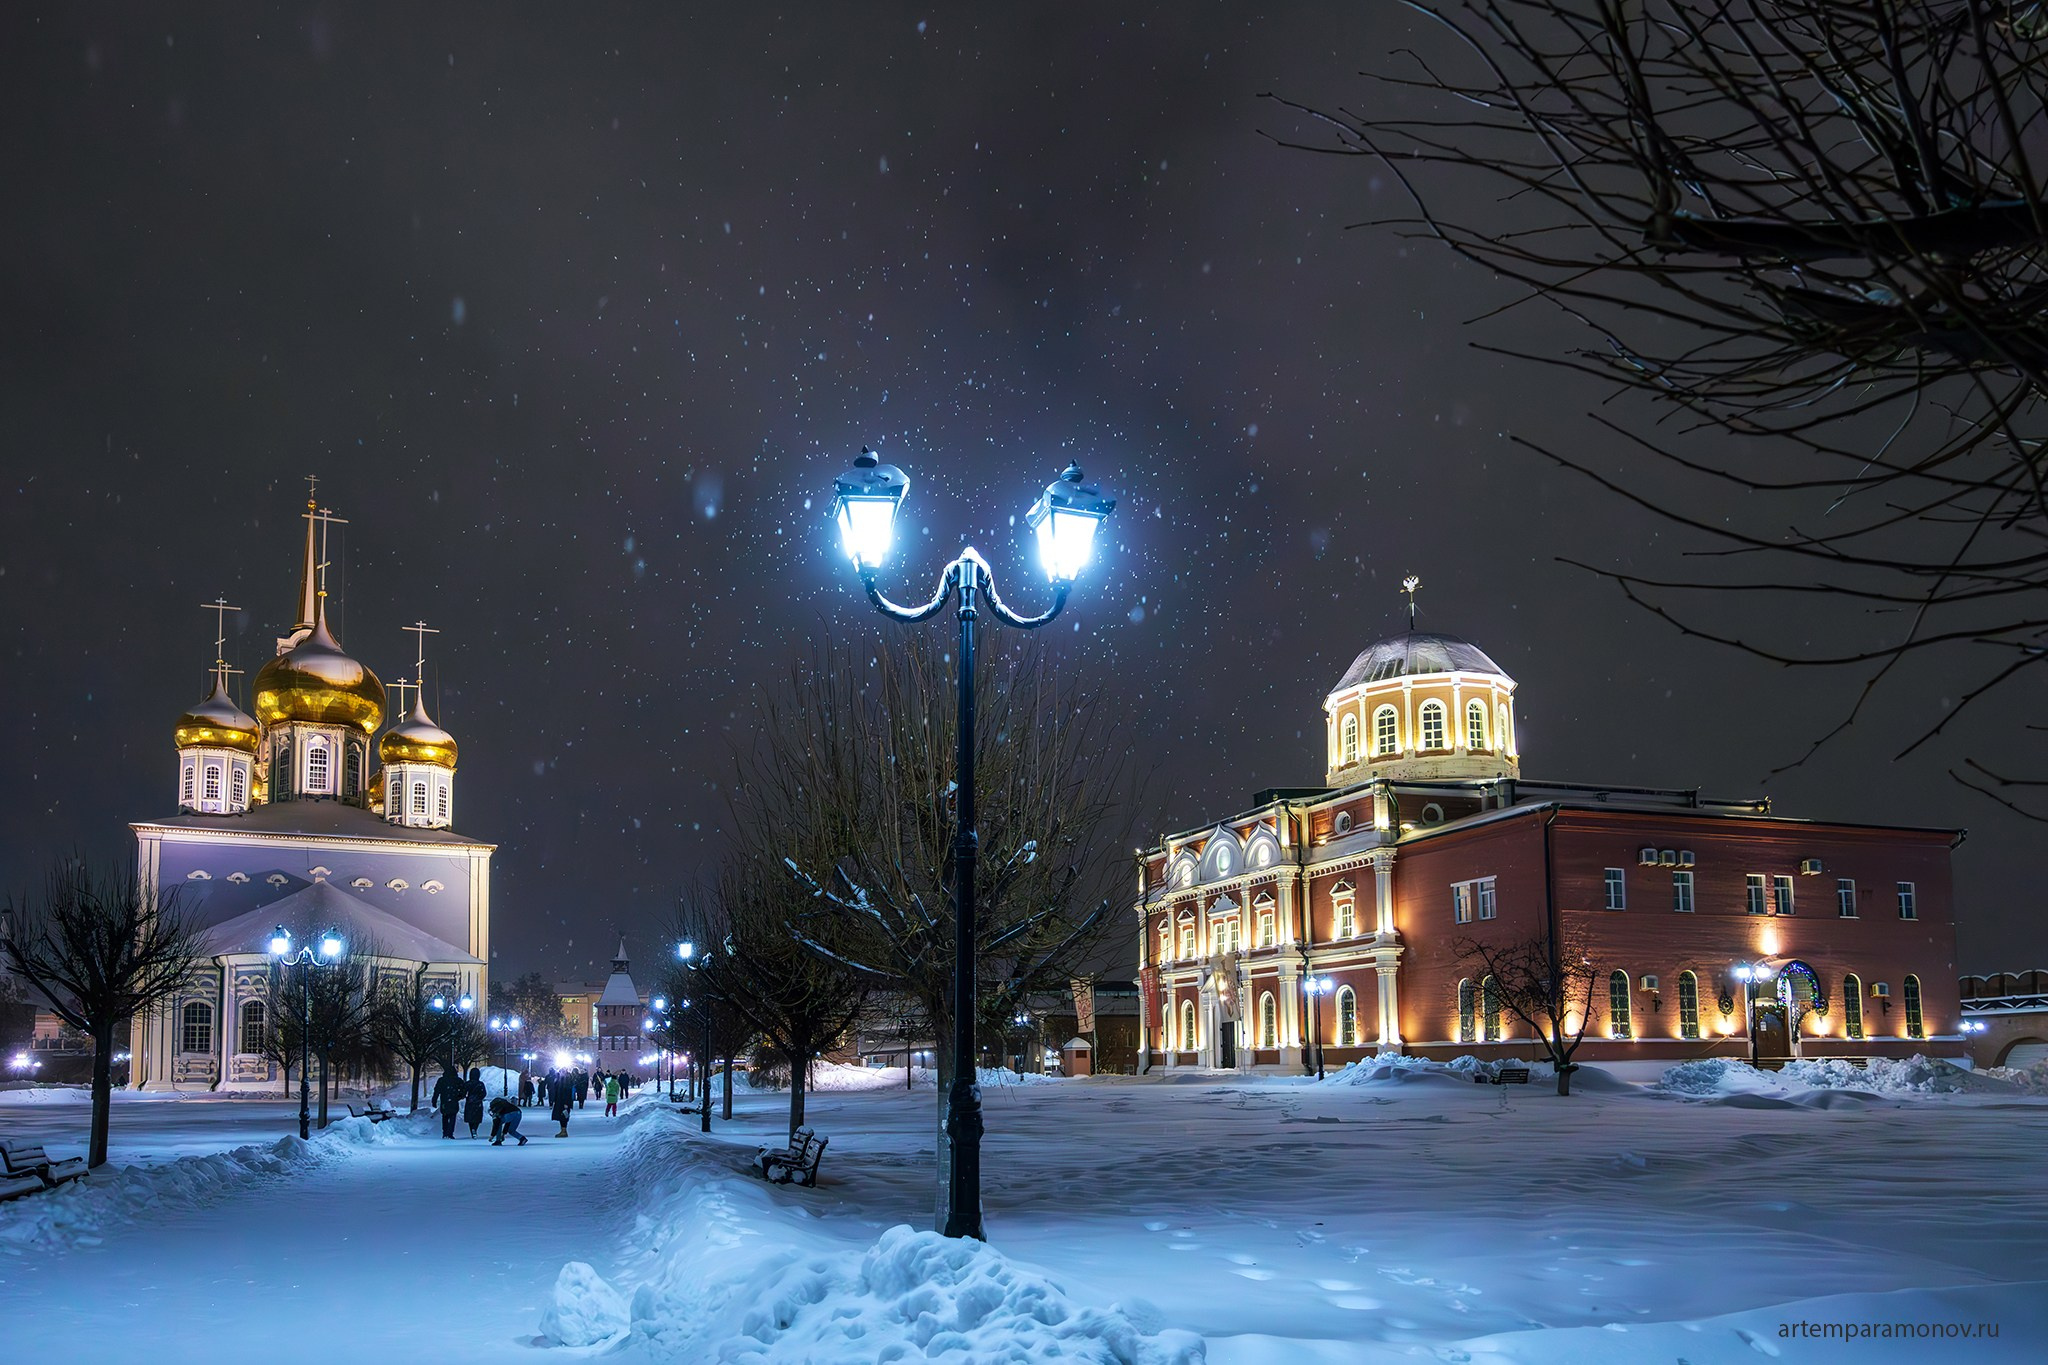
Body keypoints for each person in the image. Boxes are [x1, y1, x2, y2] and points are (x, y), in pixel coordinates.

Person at [432, 1063, 462, 1139]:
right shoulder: (457, 1080)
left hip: (444, 1101)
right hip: (454, 1101)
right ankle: (450, 1132)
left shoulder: (442, 1080)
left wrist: (434, 1100)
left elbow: (436, 1091)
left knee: (445, 1116)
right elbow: (463, 1089)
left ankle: (445, 1132)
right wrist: (459, 1096)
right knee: (452, 1116)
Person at [549, 1068, 575, 1137]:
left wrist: (566, 1103)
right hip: (561, 1101)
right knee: (562, 1115)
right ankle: (563, 1130)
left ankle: (564, 1131)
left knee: (563, 1116)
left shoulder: (566, 1081)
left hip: (564, 1101)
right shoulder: (562, 1080)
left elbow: (566, 1092)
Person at [463, 1066, 487, 1138]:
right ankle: (474, 1129)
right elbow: (484, 1093)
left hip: (469, 1103)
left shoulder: (468, 1084)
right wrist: (479, 1098)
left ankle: (472, 1130)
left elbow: (463, 1092)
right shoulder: (480, 1084)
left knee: (470, 1118)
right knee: (477, 1118)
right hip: (478, 1103)